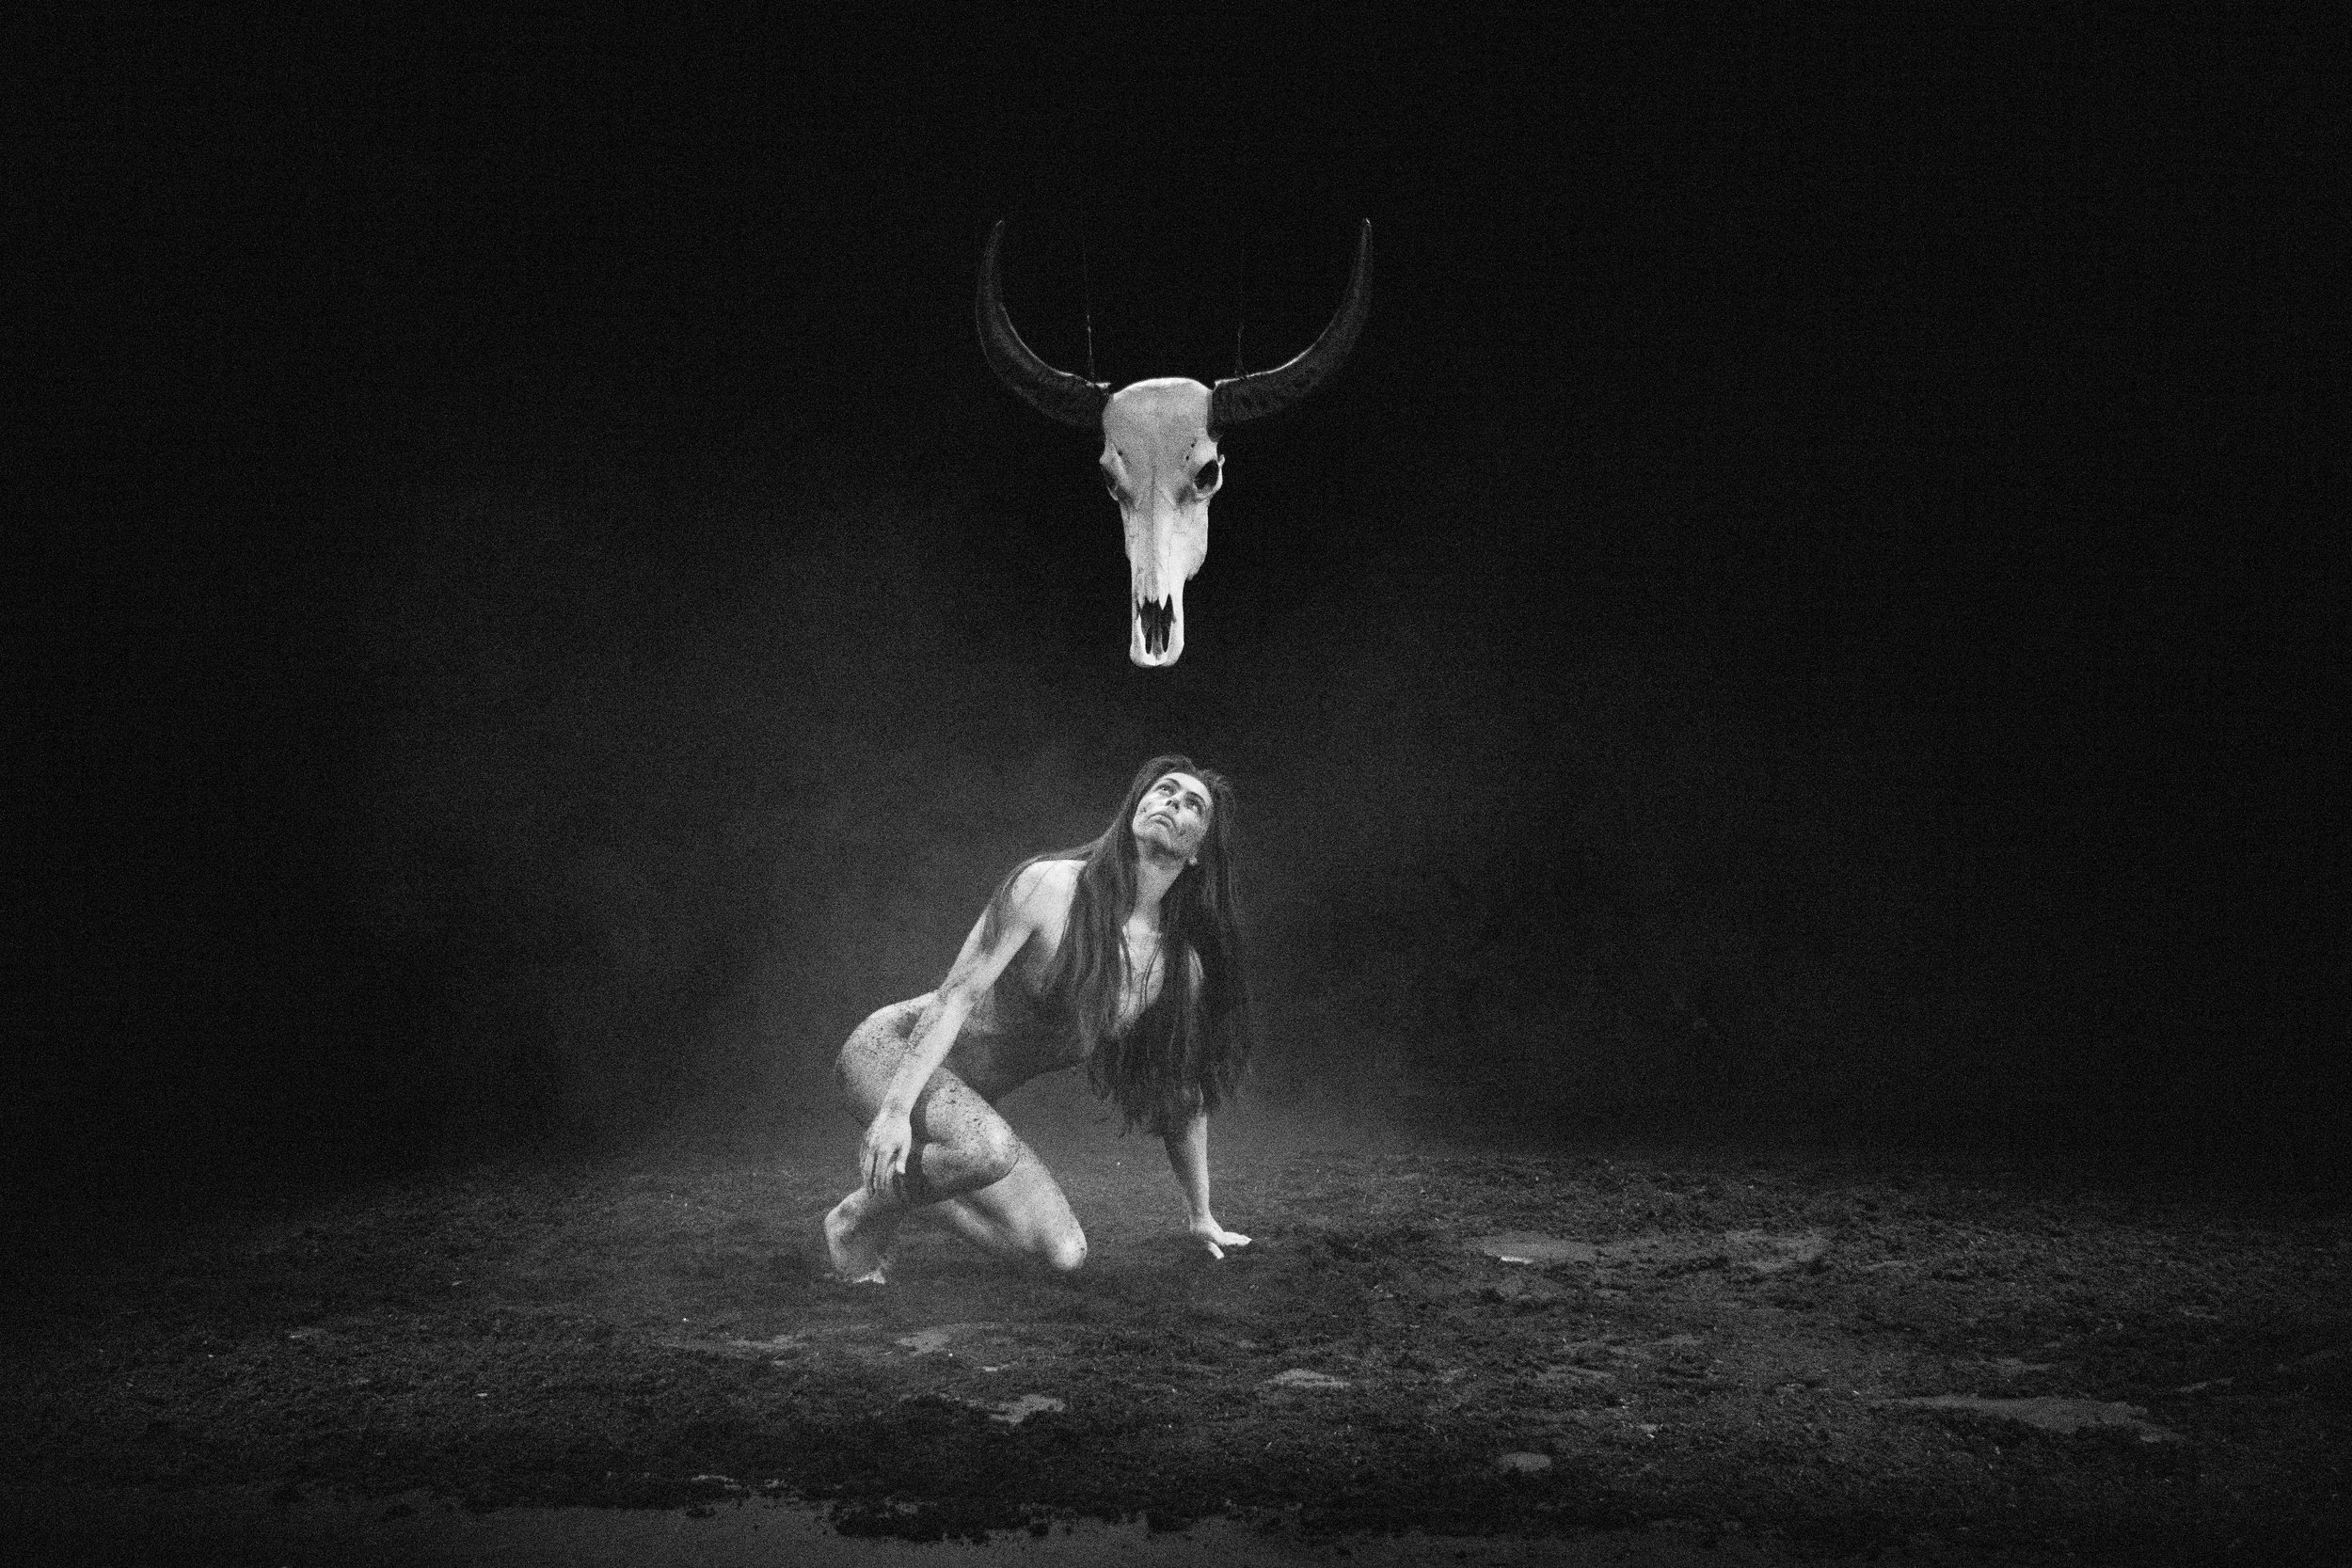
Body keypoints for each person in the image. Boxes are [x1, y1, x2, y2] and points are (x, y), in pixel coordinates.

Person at [819, 755, 1256, 1282]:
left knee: (1064, 1253)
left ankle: (913, 1185)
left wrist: (1201, 1216)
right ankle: (855, 1217)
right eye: (1164, 790)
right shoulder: (1049, 888)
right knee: (988, 1151)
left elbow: (1181, 1093)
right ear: (1135, 806)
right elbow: (955, 998)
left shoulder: (1174, 967)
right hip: (890, 1055)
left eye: (1193, 805)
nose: (1172, 803)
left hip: (963, 1119)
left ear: (1197, 854)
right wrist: (893, 1111)